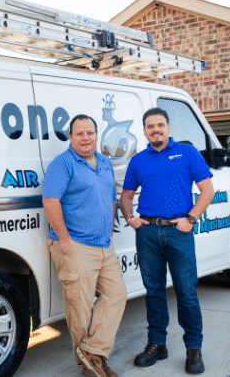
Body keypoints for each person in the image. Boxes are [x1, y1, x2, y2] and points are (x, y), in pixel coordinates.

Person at [120, 107, 214, 374]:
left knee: (186, 291)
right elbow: (126, 196)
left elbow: (207, 190)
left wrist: (191, 218)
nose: (156, 130)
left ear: (168, 128)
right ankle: (157, 344)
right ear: (145, 131)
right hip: (148, 232)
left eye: (160, 125)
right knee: (154, 291)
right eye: (150, 126)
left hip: (179, 232)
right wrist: (131, 218)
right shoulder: (138, 160)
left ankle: (194, 348)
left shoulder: (187, 153)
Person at [43, 114, 127, 377]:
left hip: (103, 245)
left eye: (90, 132)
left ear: (96, 134)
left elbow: (111, 199)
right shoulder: (63, 164)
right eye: (79, 133)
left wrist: (109, 234)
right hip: (76, 244)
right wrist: (64, 238)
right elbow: (50, 201)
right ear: (70, 137)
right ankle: (90, 367)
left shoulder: (103, 162)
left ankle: (93, 352)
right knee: (79, 307)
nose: (86, 137)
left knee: (116, 295)